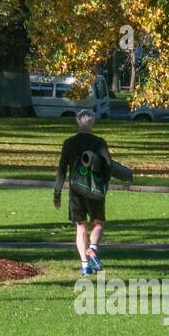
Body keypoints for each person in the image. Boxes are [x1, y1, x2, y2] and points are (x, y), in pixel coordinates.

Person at [55, 110, 115, 276]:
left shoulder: (69, 143)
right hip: (95, 188)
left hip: (76, 190)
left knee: (81, 226)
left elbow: (62, 169)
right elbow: (108, 164)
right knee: (98, 223)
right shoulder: (99, 142)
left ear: (77, 122)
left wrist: (57, 192)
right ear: (92, 123)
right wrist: (105, 182)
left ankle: (85, 266)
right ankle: (93, 249)